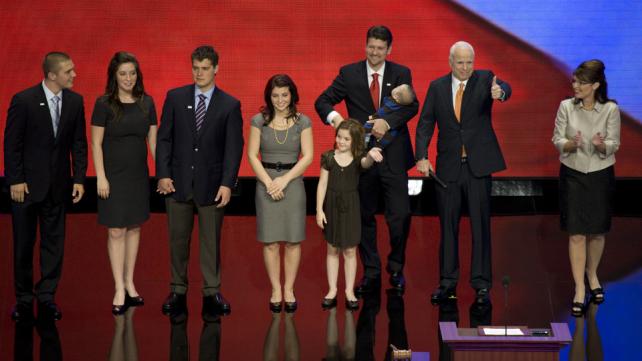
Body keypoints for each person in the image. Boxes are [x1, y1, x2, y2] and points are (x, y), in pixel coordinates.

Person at [315, 25, 418, 294]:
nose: (375, 52)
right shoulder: (349, 73)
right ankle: (370, 271)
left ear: (389, 49)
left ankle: (395, 268)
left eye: (380, 48)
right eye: (371, 47)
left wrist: (387, 121)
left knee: (401, 215)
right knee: (364, 215)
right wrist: (336, 120)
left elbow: (413, 105)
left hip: (394, 157)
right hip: (360, 158)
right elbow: (322, 101)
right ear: (365, 46)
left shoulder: (400, 73)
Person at [415, 41, 511, 305]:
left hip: (478, 167)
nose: (466, 67)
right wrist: (421, 156)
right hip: (448, 169)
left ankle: (481, 285)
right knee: (448, 227)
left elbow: (504, 89)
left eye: (470, 61)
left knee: (481, 226)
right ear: (450, 62)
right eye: (461, 62)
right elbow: (425, 124)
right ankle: (447, 282)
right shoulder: (436, 87)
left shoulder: (485, 79)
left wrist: (500, 93)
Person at [156, 45, 244, 321]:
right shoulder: (175, 97)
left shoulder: (230, 104)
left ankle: (211, 291)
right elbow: (164, 139)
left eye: (205, 68)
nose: (199, 73)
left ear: (216, 68)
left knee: (210, 242)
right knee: (177, 240)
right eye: (195, 67)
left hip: (212, 184)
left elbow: (233, 148)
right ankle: (177, 290)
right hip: (178, 183)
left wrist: (228, 183)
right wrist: (163, 174)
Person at [4, 52, 88, 321]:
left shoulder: (75, 102)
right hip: (26, 188)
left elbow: (79, 144)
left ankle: (47, 296)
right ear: (52, 75)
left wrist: (79, 179)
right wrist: (15, 179)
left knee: (54, 244)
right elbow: (12, 144)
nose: (74, 75)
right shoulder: (24, 100)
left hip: (58, 187)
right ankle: (24, 299)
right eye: (68, 71)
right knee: (24, 245)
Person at [91, 51, 158, 315]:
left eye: (132, 73)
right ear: (114, 76)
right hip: (113, 177)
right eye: (123, 73)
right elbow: (96, 143)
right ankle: (118, 286)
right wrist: (101, 177)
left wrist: (162, 172)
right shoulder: (103, 103)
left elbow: (153, 143)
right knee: (115, 230)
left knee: (133, 228)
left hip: (137, 176)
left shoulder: (147, 102)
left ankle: (130, 282)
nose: (128, 78)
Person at [551, 59, 619, 316]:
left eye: (581, 82)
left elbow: (614, 143)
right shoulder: (566, 107)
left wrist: (602, 145)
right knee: (577, 233)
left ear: (596, 85)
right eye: (574, 81)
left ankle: (593, 275)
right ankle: (580, 287)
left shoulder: (610, 109)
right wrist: (571, 144)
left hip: (600, 174)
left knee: (597, 232)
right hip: (573, 174)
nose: (575, 86)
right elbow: (557, 139)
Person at [247, 74, 313, 313]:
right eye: (275, 95)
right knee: (271, 242)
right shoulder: (258, 121)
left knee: (293, 241)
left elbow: (308, 156)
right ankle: (276, 288)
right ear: (269, 96)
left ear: (292, 95)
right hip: (265, 184)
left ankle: (289, 289)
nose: (280, 100)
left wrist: (284, 180)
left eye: (284, 95)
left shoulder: (303, 121)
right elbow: (252, 155)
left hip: (292, 184)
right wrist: (268, 183)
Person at [316, 119, 383, 311]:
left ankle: (348, 291)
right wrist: (319, 210)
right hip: (331, 206)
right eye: (339, 137)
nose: (341, 141)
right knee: (332, 249)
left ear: (355, 141)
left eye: (346, 139)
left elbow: (366, 163)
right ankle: (332, 290)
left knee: (350, 251)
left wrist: (371, 154)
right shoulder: (328, 157)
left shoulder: (358, 157)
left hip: (352, 207)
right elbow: (322, 184)